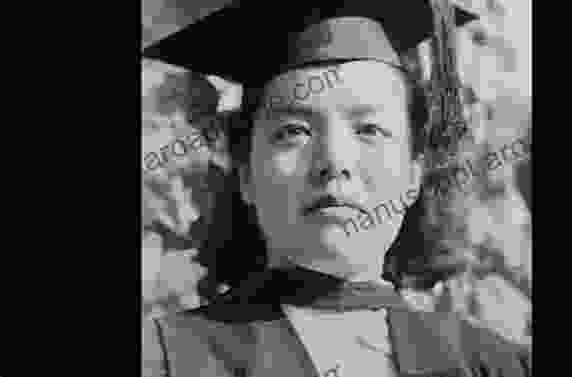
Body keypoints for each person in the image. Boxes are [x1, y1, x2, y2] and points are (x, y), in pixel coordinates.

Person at [142, 1, 531, 376]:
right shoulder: (165, 357)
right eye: (294, 131)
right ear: (244, 174)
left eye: (369, 130)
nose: (334, 161)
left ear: (414, 175)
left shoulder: (494, 365)